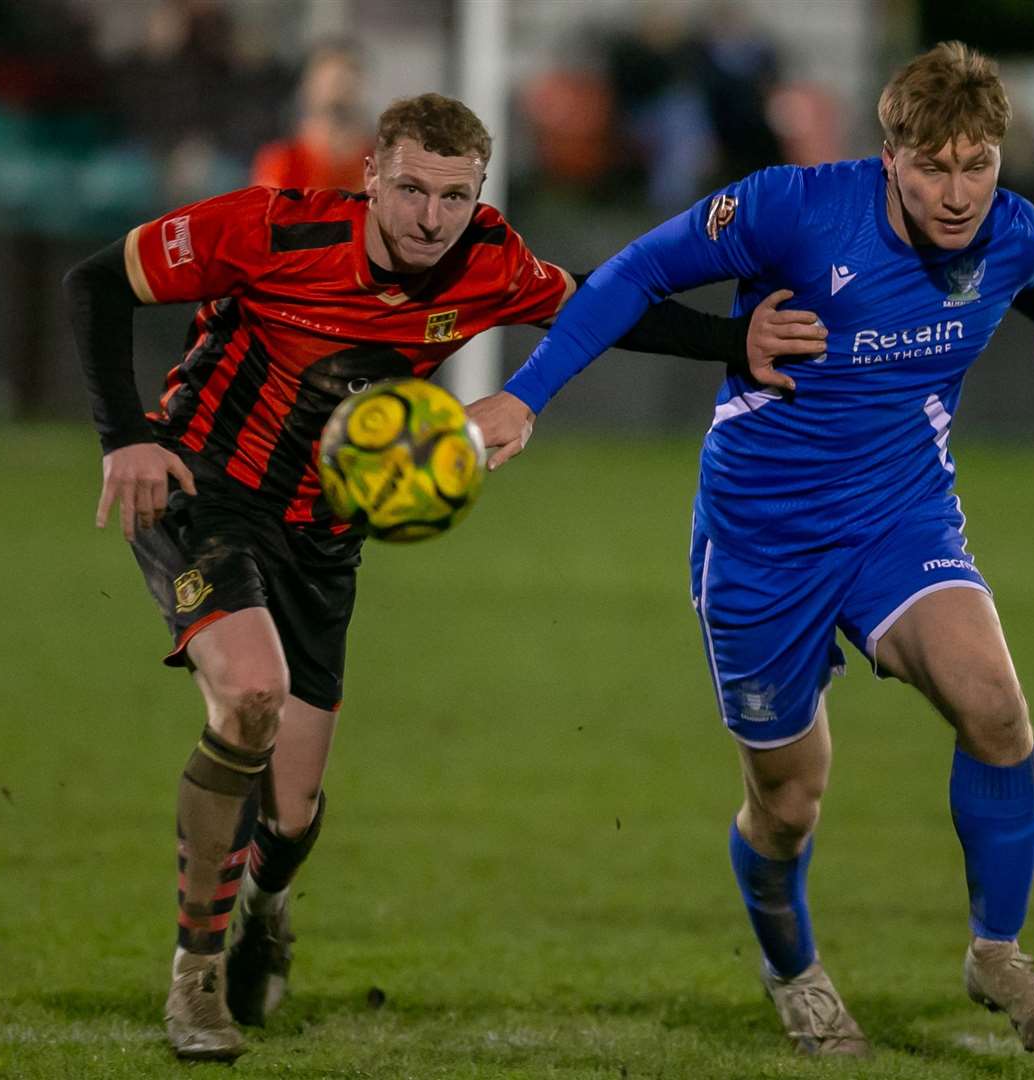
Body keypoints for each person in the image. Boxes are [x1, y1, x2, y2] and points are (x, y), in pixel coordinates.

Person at [62, 91, 820, 1061]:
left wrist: (733, 342)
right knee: (250, 695)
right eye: (411, 189)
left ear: (478, 197)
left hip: (326, 538)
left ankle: (265, 904)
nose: (429, 217)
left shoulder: (486, 263)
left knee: (289, 816)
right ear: (370, 179)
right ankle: (194, 979)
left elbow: (598, 302)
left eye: (453, 196)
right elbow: (96, 282)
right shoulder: (269, 228)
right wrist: (124, 437)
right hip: (207, 490)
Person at [470, 42, 1034, 1065]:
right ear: (888, 156)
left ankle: (997, 950)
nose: (956, 192)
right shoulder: (793, 210)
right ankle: (793, 967)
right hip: (762, 540)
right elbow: (634, 272)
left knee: (997, 709)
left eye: (976, 165)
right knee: (789, 803)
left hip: (902, 521)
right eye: (932, 166)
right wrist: (523, 396)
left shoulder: (1009, 233)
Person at [250, 43, 371, 191]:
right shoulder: (281, 161)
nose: (339, 89)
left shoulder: (378, 163)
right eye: (330, 81)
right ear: (307, 86)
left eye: (347, 80)